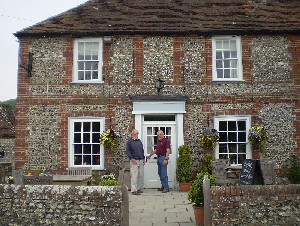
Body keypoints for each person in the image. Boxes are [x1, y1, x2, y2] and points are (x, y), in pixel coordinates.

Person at [126, 129, 145, 195]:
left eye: (138, 133)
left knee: (139, 174)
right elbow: (128, 151)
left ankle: (138, 188)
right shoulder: (129, 142)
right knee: (134, 175)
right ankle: (133, 190)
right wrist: (131, 158)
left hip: (140, 160)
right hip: (134, 160)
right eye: (136, 133)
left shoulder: (139, 141)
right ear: (133, 134)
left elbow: (142, 150)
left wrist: (143, 158)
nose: (137, 134)